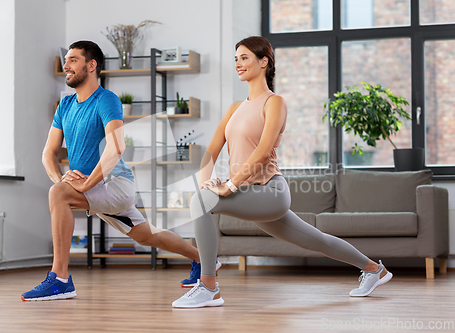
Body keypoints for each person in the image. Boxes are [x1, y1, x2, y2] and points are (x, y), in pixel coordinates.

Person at [172, 36, 393, 308]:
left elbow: (263, 151)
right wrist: (206, 184)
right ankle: (374, 269)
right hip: (249, 192)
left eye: (245, 58)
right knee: (317, 240)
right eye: (236, 59)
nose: (239, 64)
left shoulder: (274, 102)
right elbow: (212, 150)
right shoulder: (234, 108)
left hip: (270, 192)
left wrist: (228, 186)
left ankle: (207, 286)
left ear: (264, 62)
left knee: (200, 204)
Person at [21, 40, 218, 301]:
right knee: (147, 235)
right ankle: (204, 261)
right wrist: (63, 178)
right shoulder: (65, 105)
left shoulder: (106, 100)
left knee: (59, 194)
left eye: (73, 60)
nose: (66, 65)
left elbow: (116, 147)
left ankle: (60, 279)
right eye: (66, 60)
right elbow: (48, 153)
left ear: (91, 66)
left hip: (115, 184)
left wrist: (83, 185)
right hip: (94, 187)